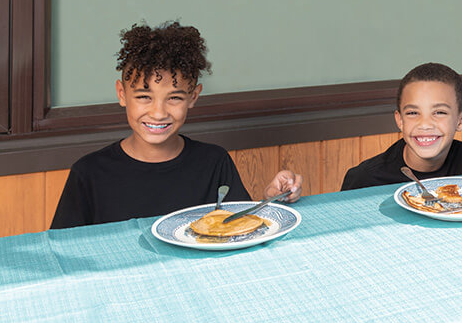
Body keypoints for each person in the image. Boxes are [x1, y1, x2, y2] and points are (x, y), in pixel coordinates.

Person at [50, 22, 302, 229]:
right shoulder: (89, 173)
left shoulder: (213, 162)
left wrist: (270, 200)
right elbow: (65, 251)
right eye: (143, 97)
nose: (158, 113)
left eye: (174, 98)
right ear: (121, 93)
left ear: (193, 97)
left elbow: (240, 228)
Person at [341, 62, 462, 190]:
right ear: (400, 121)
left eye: (439, 112)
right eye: (413, 113)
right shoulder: (365, 179)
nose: (425, 124)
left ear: (461, 121)